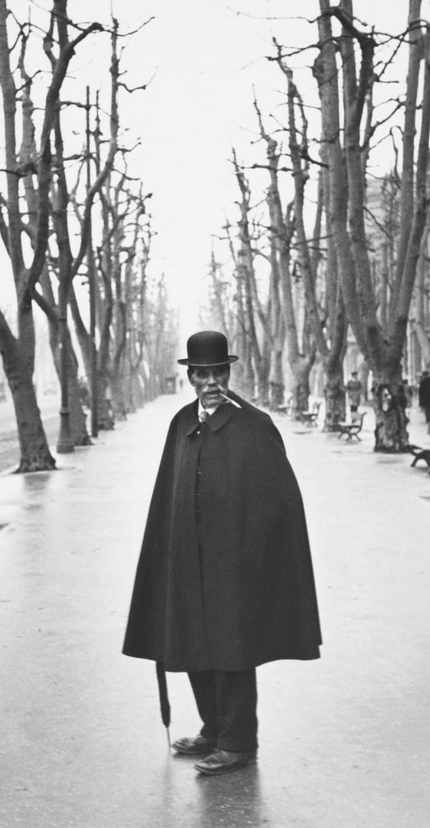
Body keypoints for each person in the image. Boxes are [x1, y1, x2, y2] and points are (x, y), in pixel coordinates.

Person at [123, 330, 322, 776]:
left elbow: (280, 499)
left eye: (219, 373)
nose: (212, 382)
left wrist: (255, 553)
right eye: (203, 374)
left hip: (234, 565)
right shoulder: (180, 424)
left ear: (228, 374)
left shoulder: (253, 425)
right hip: (189, 561)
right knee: (193, 645)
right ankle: (213, 729)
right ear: (191, 377)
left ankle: (238, 744)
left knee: (232, 651)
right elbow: (168, 493)